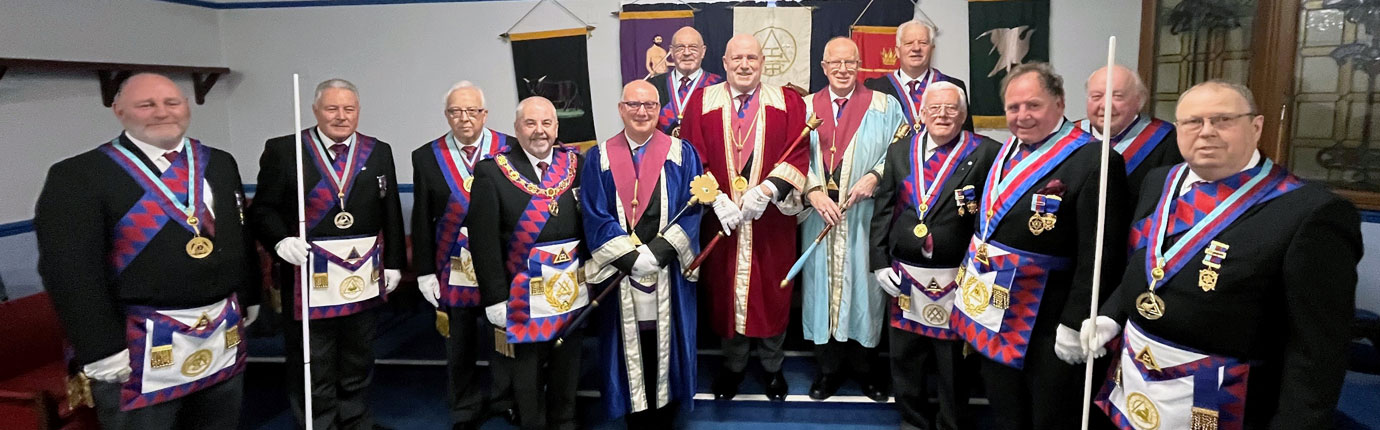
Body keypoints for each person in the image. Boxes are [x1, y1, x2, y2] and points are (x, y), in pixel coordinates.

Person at [1082, 80, 1363, 429]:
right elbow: (1146, 263)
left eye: (1223, 120)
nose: (1206, 132)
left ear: (1256, 126)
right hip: (1137, 377)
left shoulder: (1309, 213)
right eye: (1193, 122)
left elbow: (1316, 352)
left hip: (1226, 400)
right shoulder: (1160, 182)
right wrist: (1112, 313)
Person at [35, 72, 260, 429]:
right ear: (119, 111)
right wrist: (100, 349)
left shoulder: (218, 163)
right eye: (146, 104)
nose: (162, 112)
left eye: (172, 102)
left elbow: (239, 239)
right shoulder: (80, 176)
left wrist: (249, 296)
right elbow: (70, 270)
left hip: (220, 334)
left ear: (186, 108)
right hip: (136, 348)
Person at [950, 63, 1130, 430]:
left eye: (1033, 105)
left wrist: (1075, 319)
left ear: (1060, 104)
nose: (1022, 116)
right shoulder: (1007, 151)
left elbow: (1101, 253)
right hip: (995, 309)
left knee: (1049, 416)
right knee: (1007, 409)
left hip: (1048, 318)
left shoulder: (1095, 160)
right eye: (1013, 108)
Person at [248, 78, 406, 430]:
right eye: (332, 108)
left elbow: (390, 210)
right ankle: (319, 423)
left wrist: (394, 261)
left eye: (349, 109)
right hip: (307, 276)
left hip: (362, 274)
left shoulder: (378, 150)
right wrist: (279, 241)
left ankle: (355, 419)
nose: (341, 116)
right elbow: (263, 210)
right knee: (313, 358)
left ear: (358, 112)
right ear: (316, 110)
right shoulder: (285, 149)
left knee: (358, 354)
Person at [679, 33, 808, 401]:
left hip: (770, 222)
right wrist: (715, 198)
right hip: (723, 221)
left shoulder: (788, 102)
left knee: (772, 292)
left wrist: (768, 191)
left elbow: (798, 156)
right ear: (724, 62)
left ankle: (772, 368)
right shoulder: (702, 102)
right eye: (737, 58)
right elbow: (691, 156)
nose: (744, 64)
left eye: (752, 57)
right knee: (725, 292)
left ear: (763, 62)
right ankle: (733, 368)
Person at [870, 81, 1002, 430]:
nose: (942, 115)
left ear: (963, 115)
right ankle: (913, 419)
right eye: (935, 109)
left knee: (953, 363)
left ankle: (951, 423)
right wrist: (879, 261)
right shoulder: (900, 151)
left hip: (957, 276)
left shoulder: (987, 152)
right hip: (905, 276)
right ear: (922, 114)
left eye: (951, 109)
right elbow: (884, 209)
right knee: (904, 357)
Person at [581, 80, 704, 427]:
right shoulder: (599, 157)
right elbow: (593, 213)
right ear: (621, 109)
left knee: (666, 345)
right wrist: (631, 258)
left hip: (667, 274)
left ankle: (667, 413)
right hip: (620, 274)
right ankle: (634, 414)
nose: (642, 112)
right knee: (627, 349)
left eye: (649, 105)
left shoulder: (682, 153)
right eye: (633, 105)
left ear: (659, 110)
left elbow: (692, 211)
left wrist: (658, 254)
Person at [796, 37, 905, 402]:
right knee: (822, 293)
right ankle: (828, 372)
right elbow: (792, 159)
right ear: (823, 67)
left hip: (864, 217)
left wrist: (875, 176)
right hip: (818, 217)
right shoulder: (805, 107)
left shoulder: (884, 106)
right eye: (835, 64)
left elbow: (900, 150)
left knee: (865, 293)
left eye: (850, 63)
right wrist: (812, 190)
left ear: (860, 66)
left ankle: (866, 370)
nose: (843, 70)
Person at [468, 96, 587, 430]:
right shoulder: (492, 171)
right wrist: (494, 297)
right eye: (530, 124)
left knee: (567, 365)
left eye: (547, 123)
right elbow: (483, 240)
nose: (540, 131)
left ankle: (565, 422)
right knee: (527, 373)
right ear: (517, 128)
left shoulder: (575, 165)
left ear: (557, 127)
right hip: (522, 295)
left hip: (569, 290)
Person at [410, 81, 515, 430]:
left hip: (500, 263)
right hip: (451, 266)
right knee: (459, 343)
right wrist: (424, 270)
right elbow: (422, 218)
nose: (464, 119)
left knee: (503, 337)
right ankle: (465, 407)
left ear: (484, 114)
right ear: (447, 116)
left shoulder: (509, 149)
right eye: (456, 112)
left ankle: (505, 399)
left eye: (472, 111)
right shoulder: (426, 156)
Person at [1075, 65, 1181, 198]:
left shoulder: (1166, 140)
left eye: (1118, 96)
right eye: (1096, 97)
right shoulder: (1069, 138)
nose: (1105, 105)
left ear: (1138, 101)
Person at [863, 20, 973, 132]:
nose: (916, 48)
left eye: (923, 43)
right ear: (897, 51)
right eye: (909, 43)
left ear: (932, 49)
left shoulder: (953, 87)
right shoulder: (875, 89)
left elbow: (966, 139)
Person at [647, 26, 725, 137]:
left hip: (703, 154)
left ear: (703, 52)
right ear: (671, 52)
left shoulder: (719, 86)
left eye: (693, 47)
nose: (687, 53)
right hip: (662, 153)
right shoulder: (653, 86)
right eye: (680, 48)